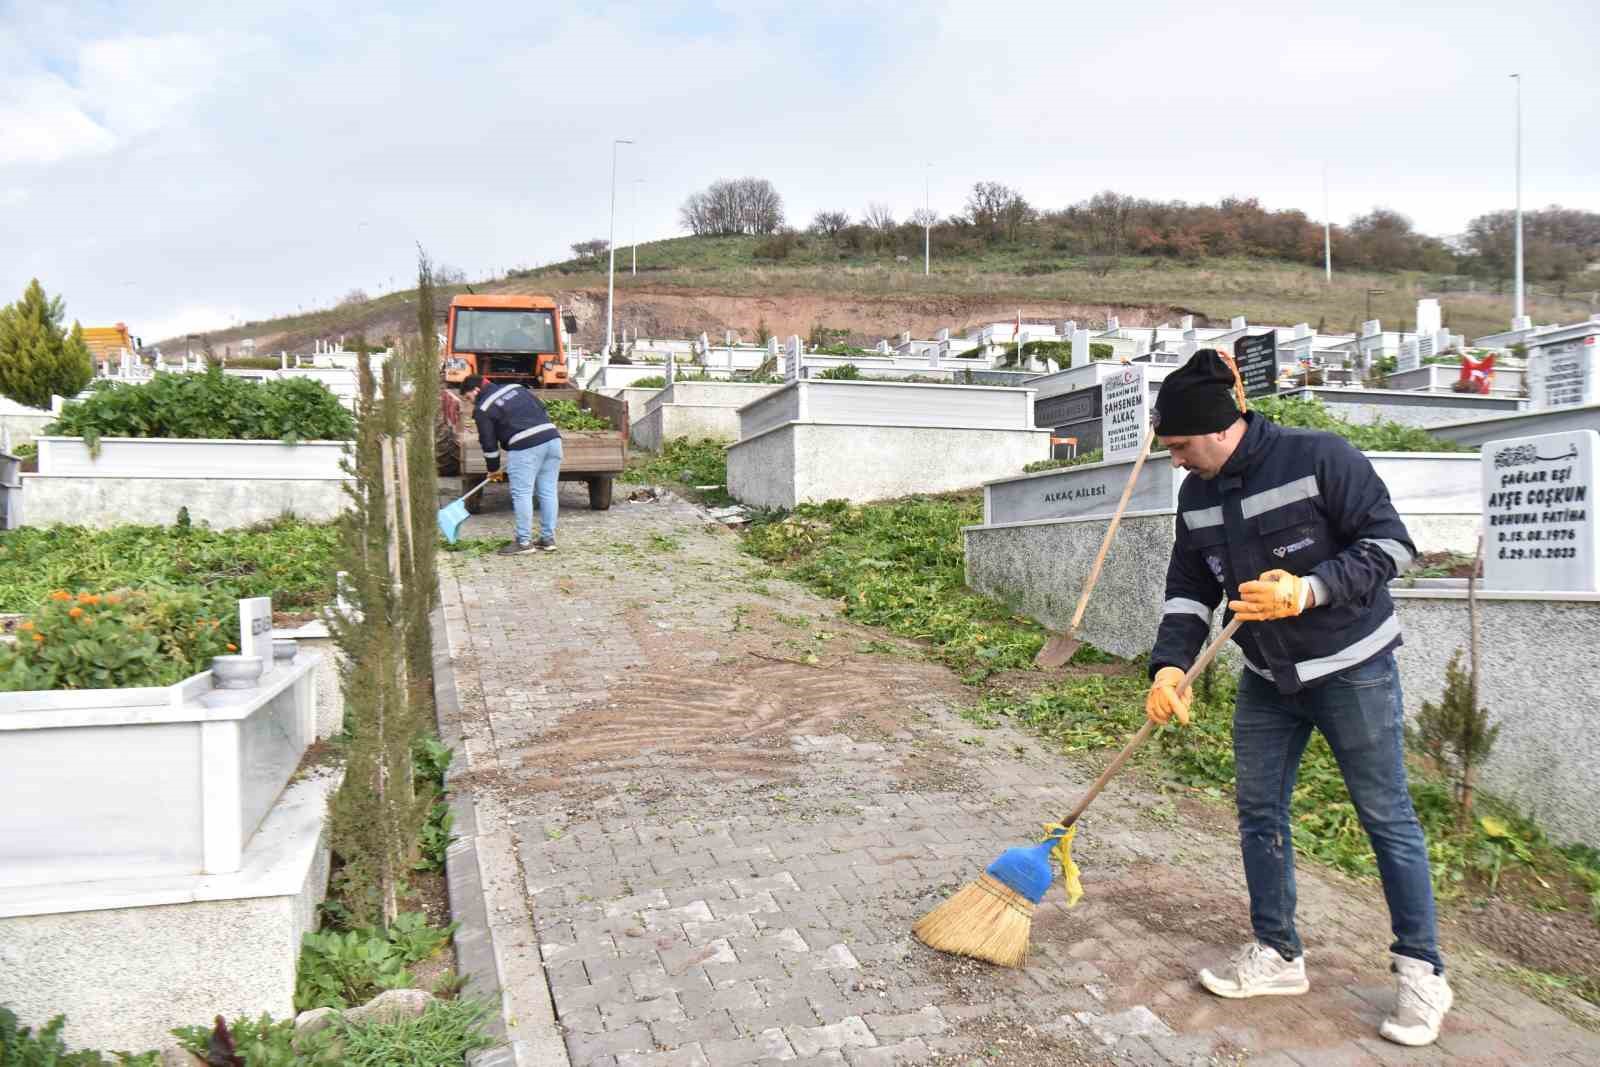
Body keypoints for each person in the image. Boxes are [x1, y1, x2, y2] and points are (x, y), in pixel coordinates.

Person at [1143, 349, 1451, 1047]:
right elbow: (1190, 592)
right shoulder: (1197, 497)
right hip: (1268, 679)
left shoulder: (1321, 458)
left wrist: (1306, 590)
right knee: (1258, 810)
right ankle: (1278, 952)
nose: (1177, 461)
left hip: (1352, 668)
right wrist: (1168, 668)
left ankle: (1422, 969)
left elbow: (1394, 545)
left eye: (1182, 446)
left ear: (1222, 428)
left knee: (1386, 815)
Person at [453, 374, 562, 555]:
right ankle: (547, 538)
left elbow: (488, 444)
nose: (470, 402)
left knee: (522, 494)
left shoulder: (483, 408)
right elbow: (542, 408)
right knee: (548, 491)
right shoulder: (516, 388)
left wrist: (493, 469)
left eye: (468, 398)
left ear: (476, 390)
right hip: (552, 439)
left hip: (525, 447)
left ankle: (524, 542)